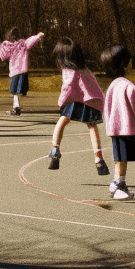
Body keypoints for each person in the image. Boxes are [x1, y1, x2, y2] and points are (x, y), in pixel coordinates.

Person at [48, 37, 109, 176]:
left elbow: (67, 87)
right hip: (87, 101)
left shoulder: (69, 70)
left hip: (75, 100)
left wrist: (61, 102)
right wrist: (100, 100)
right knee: (92, 126)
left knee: (63, 120)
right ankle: (99, 159)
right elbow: (94, 85)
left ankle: (55, 149)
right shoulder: (84, 69)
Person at [101, 44, 135, 201]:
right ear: (124, 63)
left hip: (115, 128)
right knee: (123, 159)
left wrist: (109, 124)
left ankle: (117, 183)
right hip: (127, 128)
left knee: (119, 157)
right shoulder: (129, 86)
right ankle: (119, 184)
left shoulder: (113, 85)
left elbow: (105, 108)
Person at [0, 27, 45, 116]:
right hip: (23, 70)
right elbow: (31, 40)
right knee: (18, 91)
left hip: (15, 71)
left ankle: (16, 108)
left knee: (14, 91)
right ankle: (17, 107)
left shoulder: (9, 46)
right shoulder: (23, 44)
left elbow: (3, 56)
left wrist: (2, 45)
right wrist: (38, 36)